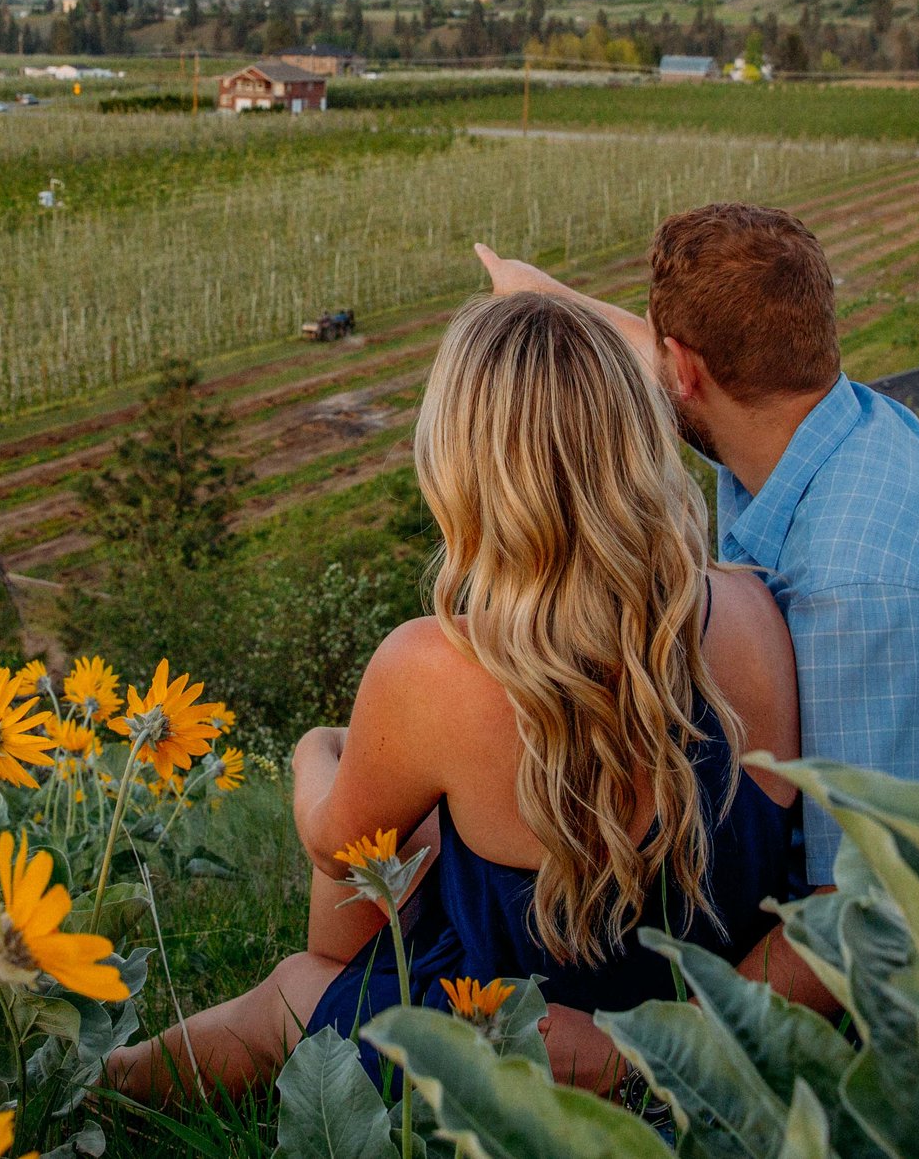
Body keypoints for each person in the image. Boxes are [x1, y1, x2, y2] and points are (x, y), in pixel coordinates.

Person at [105, 289, 802, 1099]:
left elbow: (338, 852)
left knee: (297, 984)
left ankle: (100, 1091)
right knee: (426, 822)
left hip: (514, 1044)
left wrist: (313, 750)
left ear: (462, 466)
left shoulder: (432, 665)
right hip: (695, 1040)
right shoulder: (752, 612)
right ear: (638, 442)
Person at [473, 202, 919, 1020]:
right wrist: (546, 296)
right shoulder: (830, 422)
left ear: (686, 369)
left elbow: (873, 912)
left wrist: (646, 1046)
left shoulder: (858, 592)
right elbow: (668, 366)